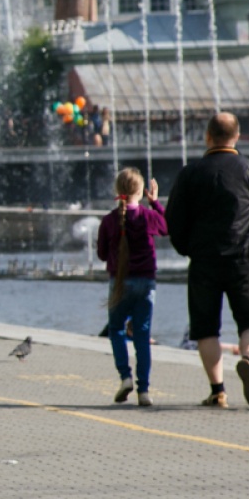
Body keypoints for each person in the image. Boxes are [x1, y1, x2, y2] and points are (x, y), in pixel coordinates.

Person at [165, 112, 249, 408]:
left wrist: (186, 249)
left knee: (205, 328)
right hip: (245, 258)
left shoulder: (190, 173)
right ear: (237, 137)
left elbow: (173, 221)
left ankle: (218, 391)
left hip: (204, 260)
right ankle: (247, 358)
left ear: (207, 136)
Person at [97, 168, 167, 407]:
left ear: (118, 191)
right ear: (141, 191)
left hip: (120, 283)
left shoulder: (108, 221)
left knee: (116, 329)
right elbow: (168, 227)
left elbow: (101, 255)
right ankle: (144, 391)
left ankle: (125, 377)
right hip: (146, 284)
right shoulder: (148, 217)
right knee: (142, 335)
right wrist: (155, 203)